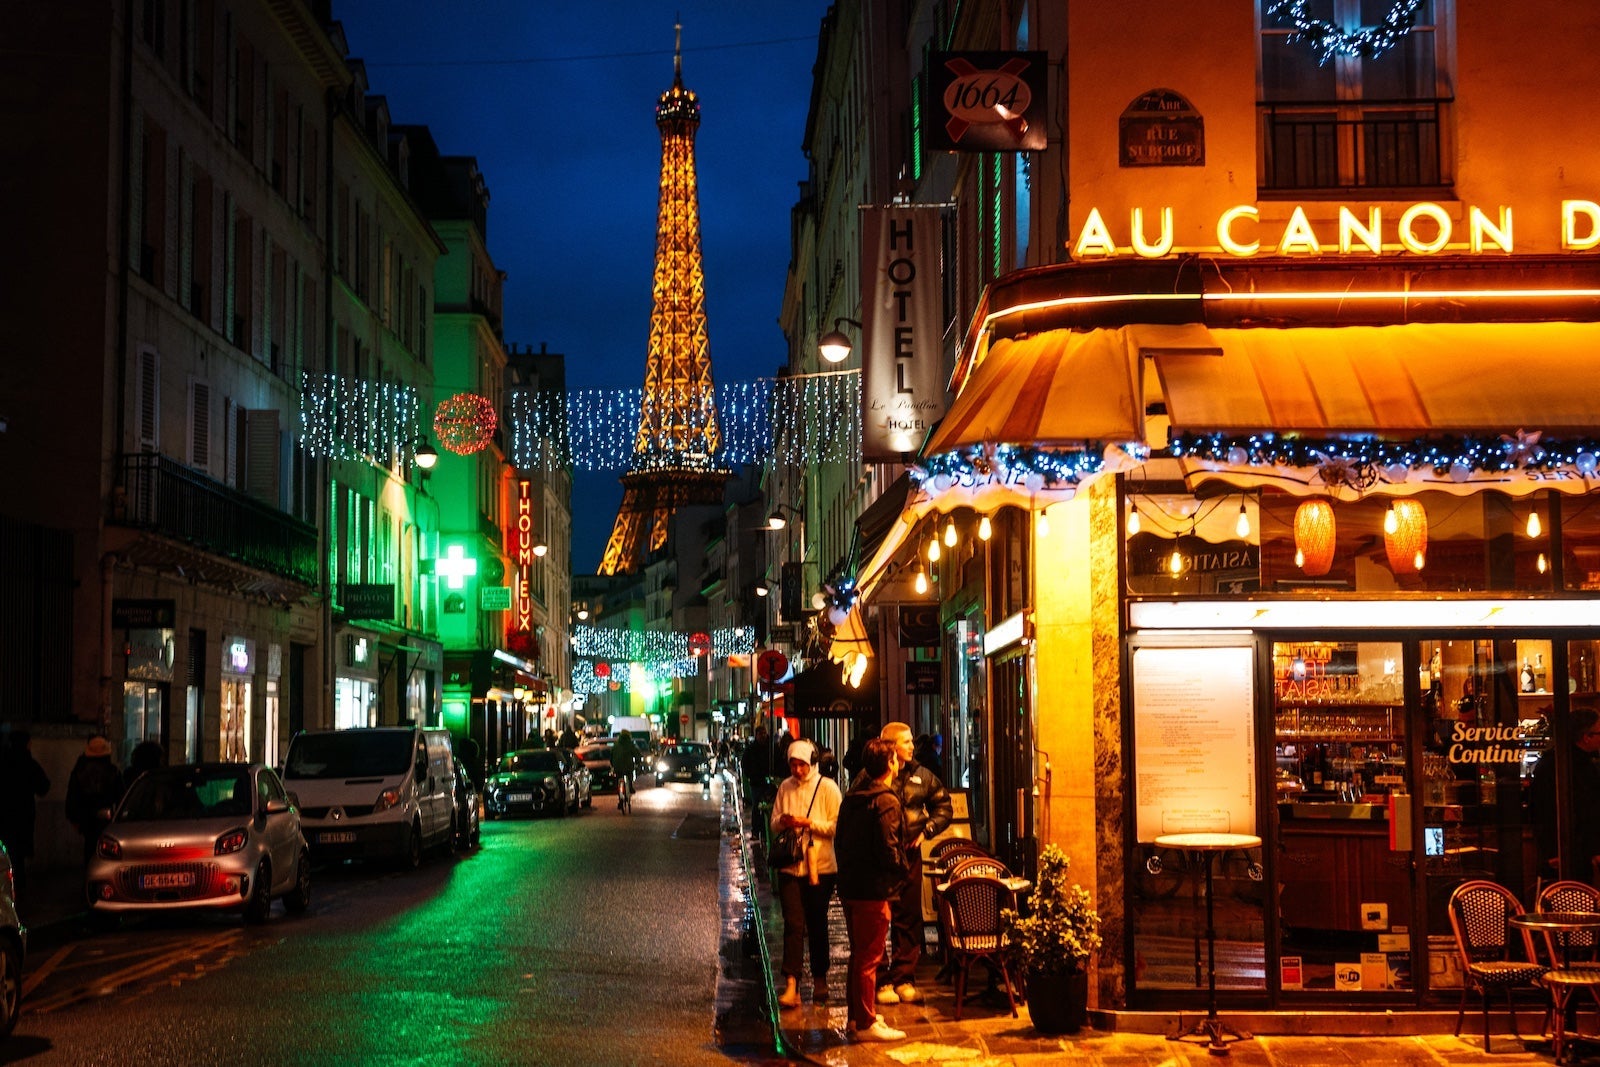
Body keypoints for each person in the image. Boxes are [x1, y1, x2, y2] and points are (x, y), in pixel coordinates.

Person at [834, 737, 908, 1043]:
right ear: (890, 763)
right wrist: (902, 870)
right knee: (869, 957)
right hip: (873, 889)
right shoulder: (886, 800)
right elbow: (888, 848)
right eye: (894, 759)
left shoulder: (852, 796)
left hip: (851, 885)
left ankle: (856, 1016)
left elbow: (840, 840)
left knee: (858, 954)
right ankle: (866, 1023)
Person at [876, 720, 953, 1006]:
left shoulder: (922, 775)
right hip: (882, 858)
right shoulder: (873, 776)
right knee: (879, 917)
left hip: (910, 856)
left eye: (911, 741)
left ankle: (904, 977)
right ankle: (881, 979)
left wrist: (926, 831)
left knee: (908, 916)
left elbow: (944, 806)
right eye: (906, 742)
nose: (912, 746)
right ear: (891, 747)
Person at [771, 740, 842, 1009]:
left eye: (802, 764)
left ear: (811, 762)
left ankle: (820, 979)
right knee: (793, 924)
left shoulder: (827, 787)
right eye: (793, 764)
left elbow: (837, 825)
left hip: (820, 867)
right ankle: (792, 984)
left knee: (817, 923)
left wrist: (808, 823)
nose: (797, 770)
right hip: (791, 866)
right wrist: (784, 822)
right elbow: (774, 821)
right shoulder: (785, 787)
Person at [1531, 704, 1600, 878]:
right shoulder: (1563, 764)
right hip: (1567, 851)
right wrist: (1553, 851)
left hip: (1572, 850)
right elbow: (1544, 810)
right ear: (1586, 737)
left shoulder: (1564, 760)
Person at [0, 731, 51, 890]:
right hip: (23, 815)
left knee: (7, 851)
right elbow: (44, 786)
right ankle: (18, 887)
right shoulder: (29, 763)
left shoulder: (3, 761)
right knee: (18, 855)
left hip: (4, 814)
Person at [65, 736, 122, 865]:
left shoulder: (79, 772)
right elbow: (120, 796)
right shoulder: (113, 772)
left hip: (87, 819)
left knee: (90, 852)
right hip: (108, 818)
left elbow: (72, 797)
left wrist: (75, 819)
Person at [611, 730, 639, 810]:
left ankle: (620, 799)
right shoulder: (630, 744)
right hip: (628, 766)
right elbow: (636, 754)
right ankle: (630, 787)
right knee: (629, 776)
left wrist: (613, 765)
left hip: (617, 767)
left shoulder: (616, 745)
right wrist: (638, 762)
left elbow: (611, 756)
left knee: (618, 780)